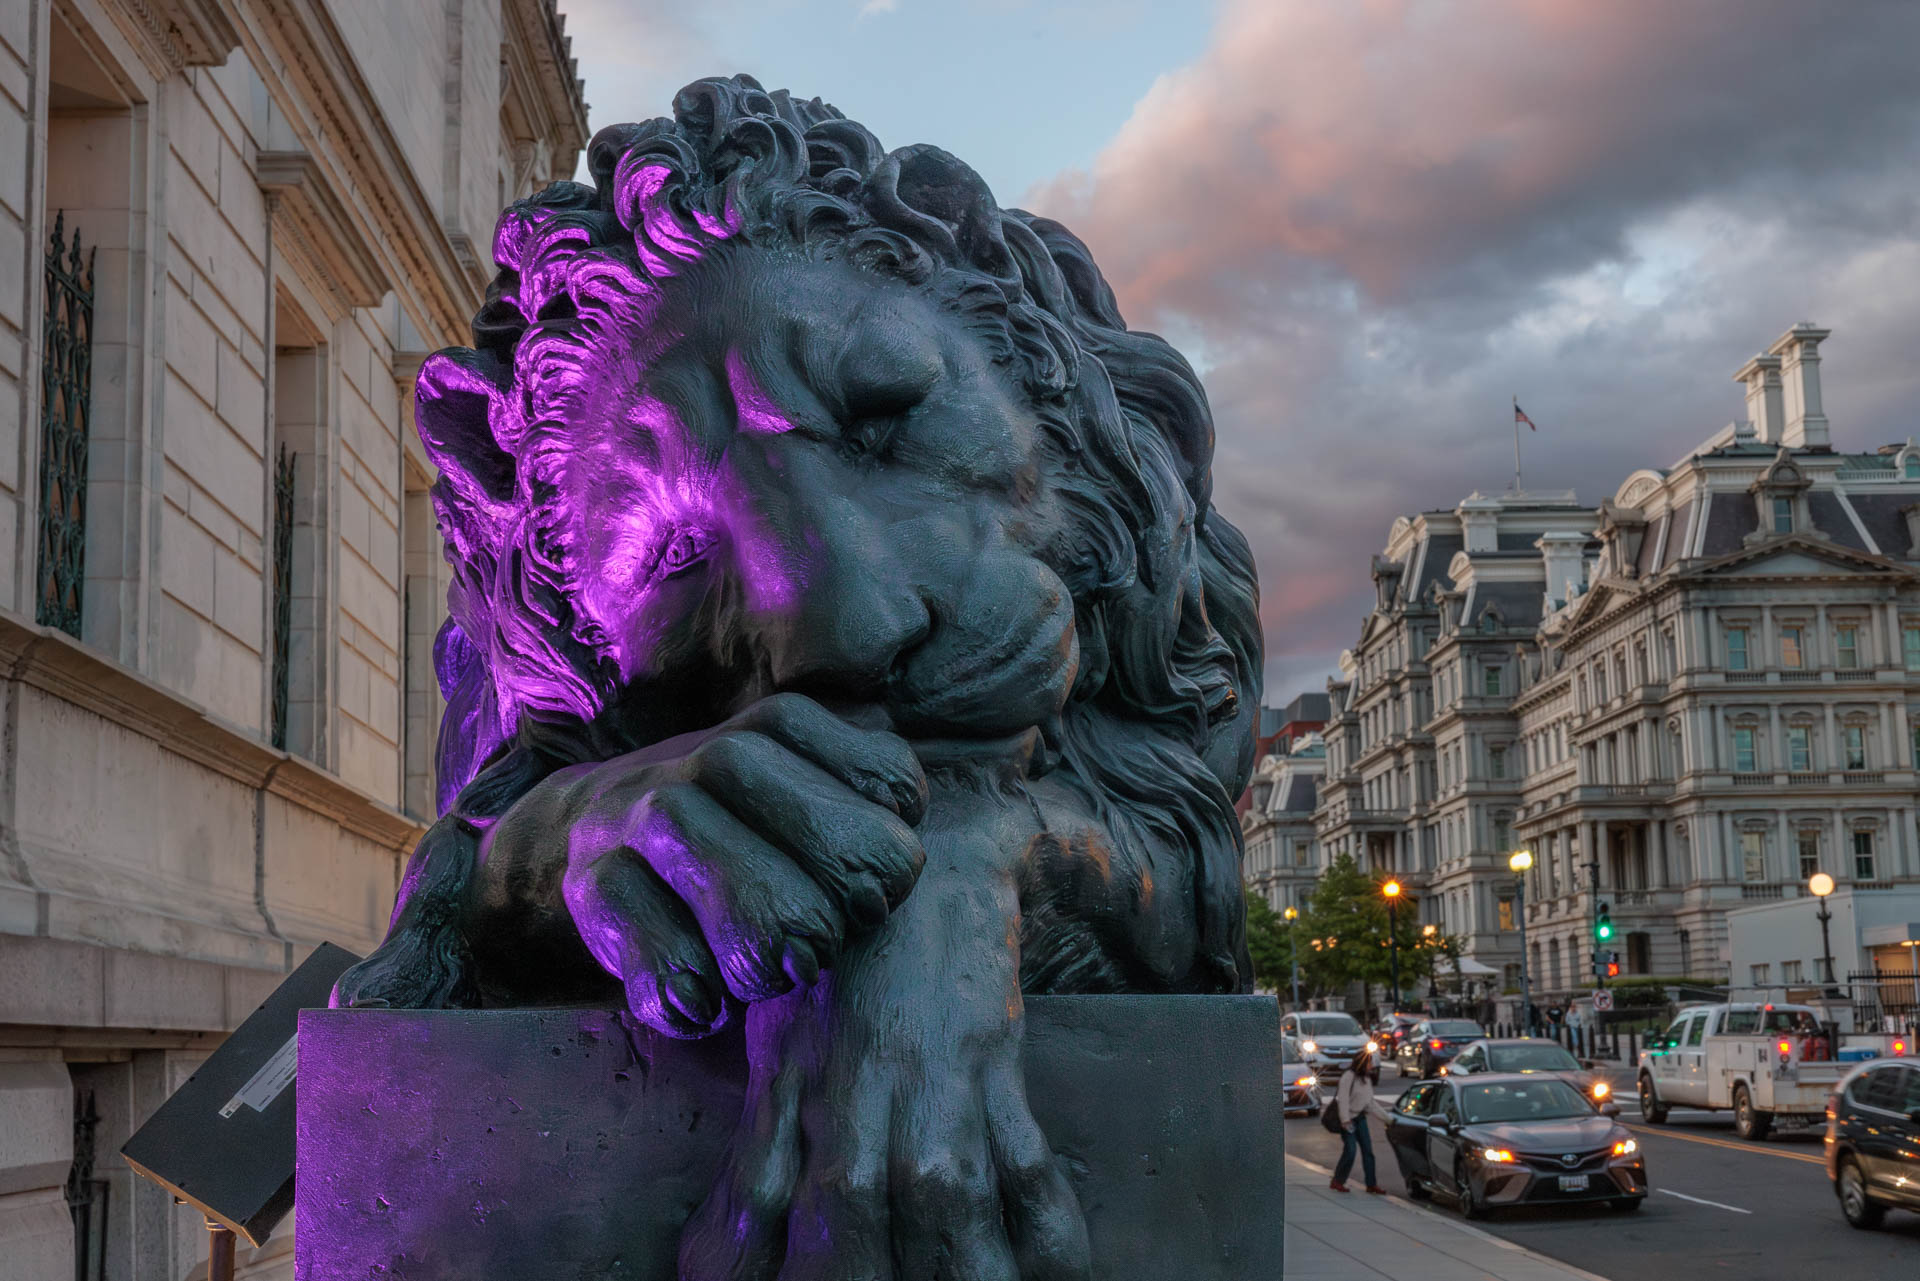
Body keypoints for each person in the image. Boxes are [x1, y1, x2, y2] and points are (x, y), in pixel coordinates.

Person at [1330, 1045, 1391, 1194]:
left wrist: (1387, 1119)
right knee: (1350, 1151)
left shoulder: (1366, 1079)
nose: (1371, 1066)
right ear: (1362, 1063)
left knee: (1368, 1152)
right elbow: (1342, 1100)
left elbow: (1370, 1103)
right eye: (1369, 1063)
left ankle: (1371, 1184)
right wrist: (1345, 1120)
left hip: (1360, 1118)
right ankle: (1338, 1180)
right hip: (1348, 1120)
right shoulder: (1348, 1077)